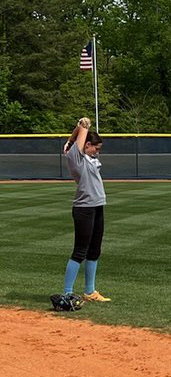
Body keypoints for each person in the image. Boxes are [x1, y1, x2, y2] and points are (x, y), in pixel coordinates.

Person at [60, 116, 109, 302]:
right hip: (84, 209)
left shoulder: (89, 158)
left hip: (97, 207)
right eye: (96, 148)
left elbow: (82, 136)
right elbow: (82, 127)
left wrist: (72, 139)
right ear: (86, 144)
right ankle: (67, 292)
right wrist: (80, 128)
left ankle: (90, 291)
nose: (97, 152)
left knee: (94, 250)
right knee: (80, 251)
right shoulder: (76, 157)